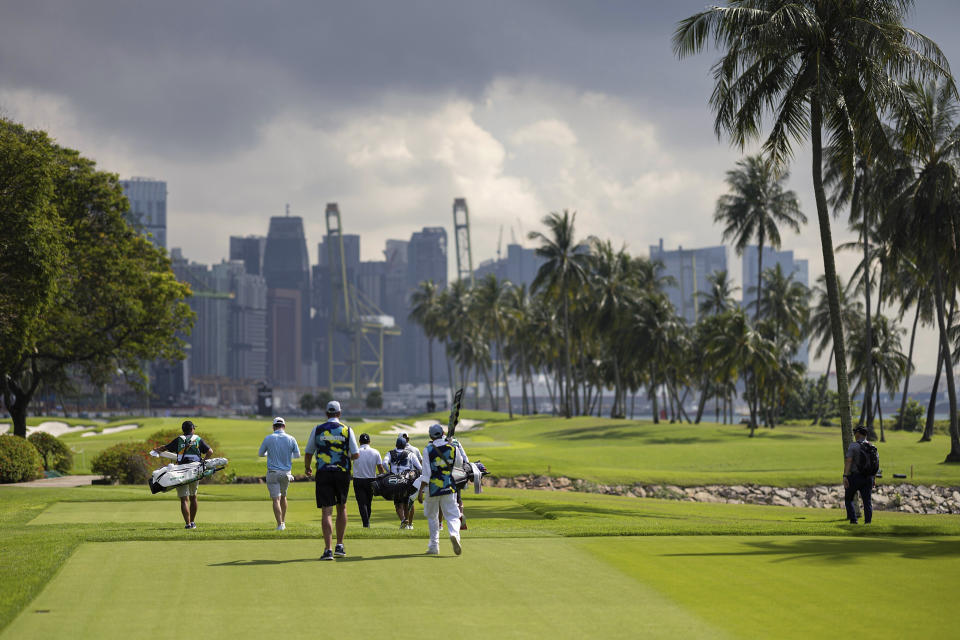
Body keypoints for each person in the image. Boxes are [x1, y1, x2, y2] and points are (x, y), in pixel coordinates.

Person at [304, 400, 359, 560]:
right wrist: (343, 456)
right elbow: (356, 454)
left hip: (323, 472)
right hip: (342, 472)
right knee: (342, 507)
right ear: (339, 413)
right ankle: (339, 546)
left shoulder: (318, 429)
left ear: (326, 413)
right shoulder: (347, 430)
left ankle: (328, 549)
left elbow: (308, 452)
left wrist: (308, 467)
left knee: (327, 510)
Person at [151, 420, 213, 529]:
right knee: (193, 497)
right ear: (192, 429)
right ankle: (193, 522)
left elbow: (164, 448)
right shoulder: (198, 439)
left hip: (180, 471)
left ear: (183, 430)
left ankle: (188, 524)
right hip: (195, 470)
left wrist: (156, 450)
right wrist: (203, 461)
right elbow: (210, 451)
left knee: (184, 499)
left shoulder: (179, 440)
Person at [416, 423, 463, 555]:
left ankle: (434, 546)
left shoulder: (428, 449)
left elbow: (426, 474)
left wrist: (420, 491)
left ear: (430, 435)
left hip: (433, 488)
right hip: (449, 486)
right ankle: (454, 535)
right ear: (443, 433)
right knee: (453, 515)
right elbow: (459, 465)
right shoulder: (453, 447)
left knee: (432, 517)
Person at [257, 416, 301, 531]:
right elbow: (297, 455)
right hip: (286, 473)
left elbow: (261, 453)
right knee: (284, 496)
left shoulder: (268, 438)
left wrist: (269, 454)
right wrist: (286, 455)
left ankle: (279, 524)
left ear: (273, 427)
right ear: (284, 426)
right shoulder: (291, 438)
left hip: (272, 473)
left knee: (276, 499)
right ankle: (283, 522)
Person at [384, 436, 422, 529]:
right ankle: (409, 524)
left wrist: (389, 472)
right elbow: (420, 468)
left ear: (396, 444)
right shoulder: (410, 454)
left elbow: (384, 463)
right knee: (408, 502)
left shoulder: (390, 453)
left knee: (398, 504)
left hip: (395, 480)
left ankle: (403, 520)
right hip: (408, 481)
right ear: (405, 445)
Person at [843, 426, 875, 524]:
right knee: (867, 501)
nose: (854, 434)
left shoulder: (853, 446)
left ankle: (853, 520)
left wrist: (845, 476)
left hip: (855, 477)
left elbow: (848, 461)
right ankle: (868, 522)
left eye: (855, 432)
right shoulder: (872, 446)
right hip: (869, 477)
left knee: (848, 499)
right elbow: (874, 464)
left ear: (858, 434)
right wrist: (873, 478)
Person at [353, 433, 384, 528]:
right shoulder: (375, 452)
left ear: (359, 441)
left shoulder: (356, 452)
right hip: (371, 480)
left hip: (358, 480)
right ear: (369, 442)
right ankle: (367, 523)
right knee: (368, 502)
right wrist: (382, 479)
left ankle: (366, 524)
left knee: (362, 503)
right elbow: (380, 468)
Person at [400, 433, 422, 527]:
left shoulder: (398, 450)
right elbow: (420, 463)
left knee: (403, 502)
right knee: (410, 501)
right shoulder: (415, 449)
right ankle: (409, 524)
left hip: (401, 479)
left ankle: (406, 522)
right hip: (414, 479)